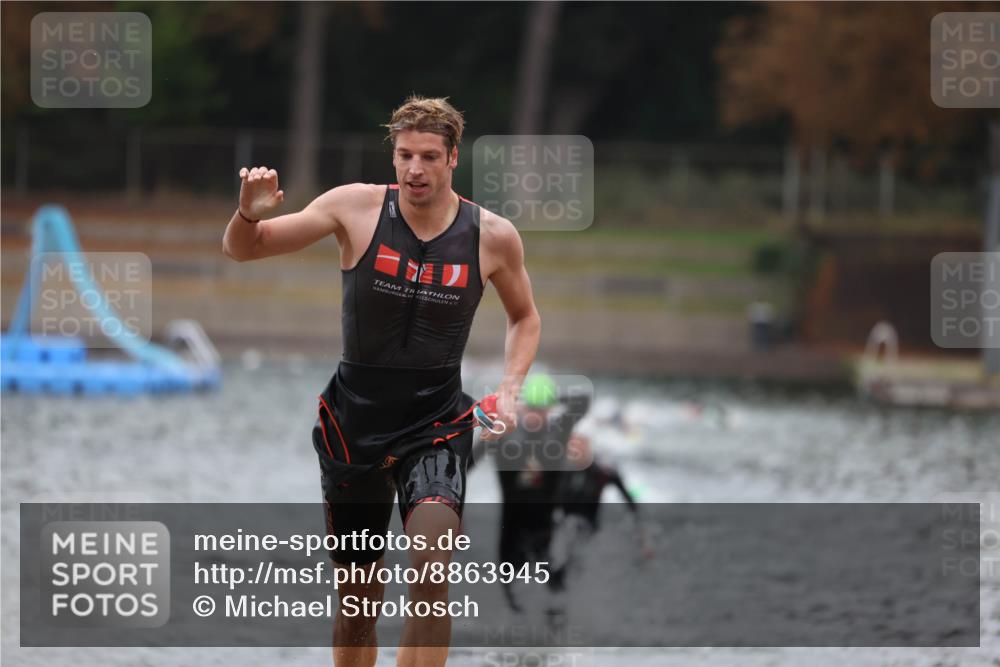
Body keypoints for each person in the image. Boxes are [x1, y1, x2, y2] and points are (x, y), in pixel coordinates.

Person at [222, 96, 541, 667]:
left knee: (431, 567)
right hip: (355, 427)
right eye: (404, 155)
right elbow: (246, 250)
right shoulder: (355, 208)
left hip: (436, 423)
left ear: (452, 160)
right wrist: (248, 213)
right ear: (392, 157)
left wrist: (511, 389)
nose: (414, 169)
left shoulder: (492, 236)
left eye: (427, 157)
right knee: (357, 608)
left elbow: (525, 317)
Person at [472, 373, 591, 612]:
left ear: (551, 409)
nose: (536, 414)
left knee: (554, 589)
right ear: (521, 407)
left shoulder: (559, 429)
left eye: (542, 408)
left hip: (547, 525)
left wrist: (549, 396)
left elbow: (583, 400)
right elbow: (464, 465)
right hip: (511, 526)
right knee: (511, 589)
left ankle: (555, 635)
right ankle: (521, 637)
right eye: (531, 407)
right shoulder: (502, 433)